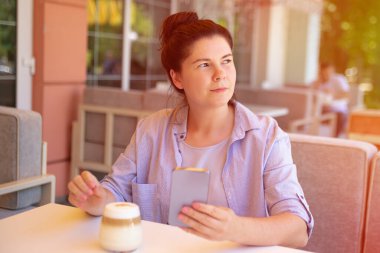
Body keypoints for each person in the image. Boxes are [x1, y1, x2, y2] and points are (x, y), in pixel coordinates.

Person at [68, 12, 313, 248]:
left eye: (226, 61)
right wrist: (99, 200)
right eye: (204, 64)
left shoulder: (267, 137)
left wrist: (236, 228)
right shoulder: (151, 131)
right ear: (177, 79)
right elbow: (117, 190)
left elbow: (298, 229)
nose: (220, 74)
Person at [312, 62, 350, 137]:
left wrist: (333, 95)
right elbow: (311, 96)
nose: (326, 75)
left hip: (337, 109)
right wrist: (318, 84)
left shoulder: (338, 79)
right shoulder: (316, 82)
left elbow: (347, 95)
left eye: (328, 72)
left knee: (341, 115)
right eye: (323, 73)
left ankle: (336, 137)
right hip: (321, 109)